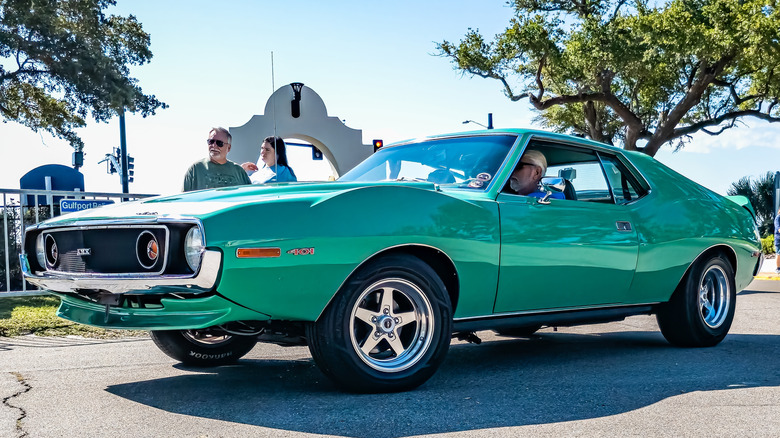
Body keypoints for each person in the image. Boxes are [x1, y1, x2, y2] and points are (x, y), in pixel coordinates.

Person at [182, 127, 251, 192]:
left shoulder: (239, 172)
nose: (214, 146)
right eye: (211, 142)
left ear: (229, 148)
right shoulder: (195, 169)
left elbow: (249, 197)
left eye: (219, 143)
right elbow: (184, 199)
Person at [775, 207, 780, 274]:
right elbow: (778, 228)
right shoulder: (778, 218)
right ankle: (778, 268)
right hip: (779, 239)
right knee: (779, 253)